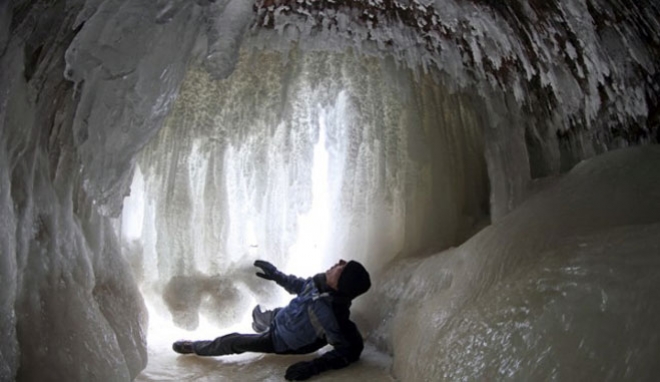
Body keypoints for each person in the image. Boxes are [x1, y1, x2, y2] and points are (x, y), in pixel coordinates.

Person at [172, 259, 372, 381]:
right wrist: (277, 275)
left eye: (343, 267)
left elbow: (350, 349)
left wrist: (312, 367)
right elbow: (299, 285)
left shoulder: (333, 317)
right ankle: (261, 322)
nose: (340, 261)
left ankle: (195, 347)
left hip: (283, 341)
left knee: (234, 341)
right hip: (282, 317)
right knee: (261, 315)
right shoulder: (319, 283)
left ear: (342, 283)